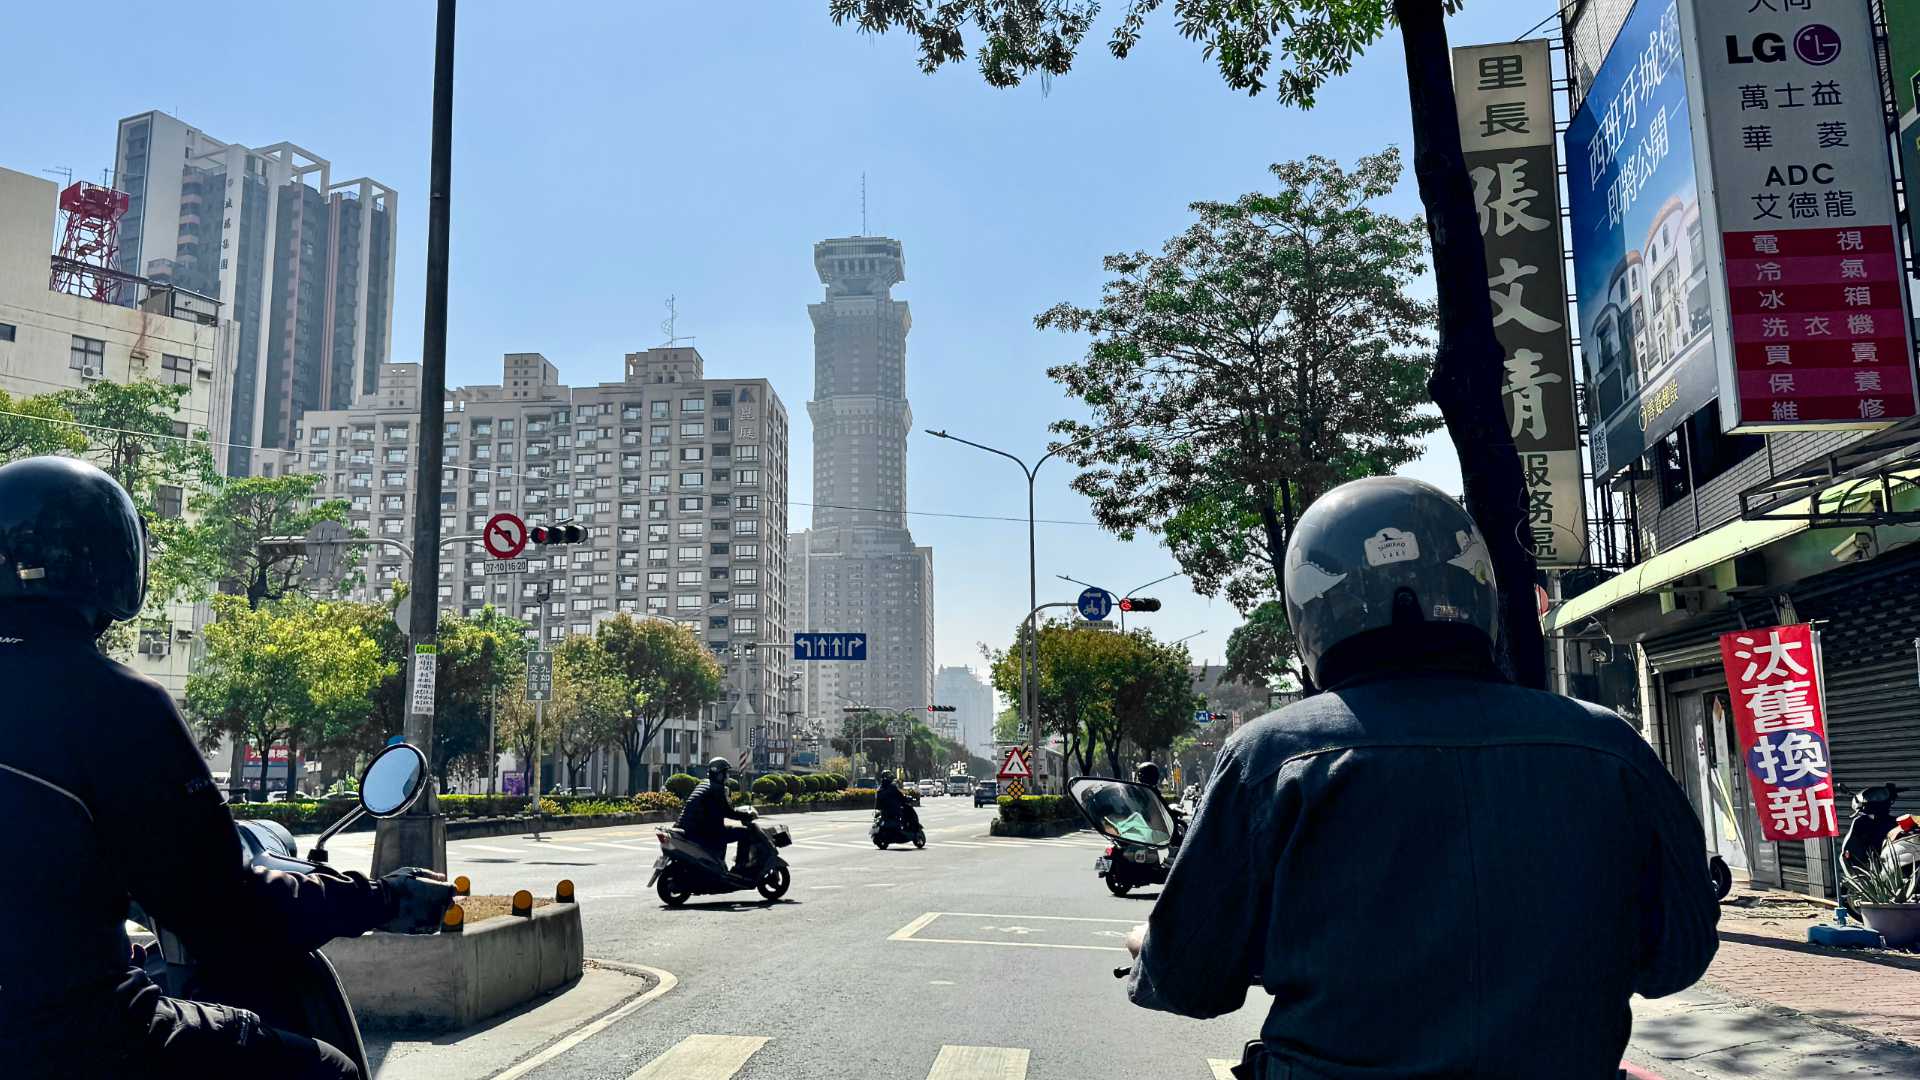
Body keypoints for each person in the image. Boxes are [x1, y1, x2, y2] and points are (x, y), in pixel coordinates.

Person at [1126, 476, 1719, 1079]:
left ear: (1312, 608)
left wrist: (1146, 946)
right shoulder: (1607, 745)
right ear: (1476, 589)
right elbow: (1678, 957)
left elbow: (1188, 980)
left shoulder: (1271, 758)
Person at [0, 456, 457, 1080]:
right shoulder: (113, 704)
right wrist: (383, 898)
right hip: (70, 1039)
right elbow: (224, 910)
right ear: (110, 565)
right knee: (328, 1072)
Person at [675, 757, 758, 871]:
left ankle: (719, 864)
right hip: (702, 831)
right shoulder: (717, 788)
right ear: (720, 774)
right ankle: (741, 866)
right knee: (745, 833)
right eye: (725, 773)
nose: (727, 776)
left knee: (723, 831)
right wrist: (746, 816)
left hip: (687, 827)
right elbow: (727, 811)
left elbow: (717, 810)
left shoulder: (704, 784)